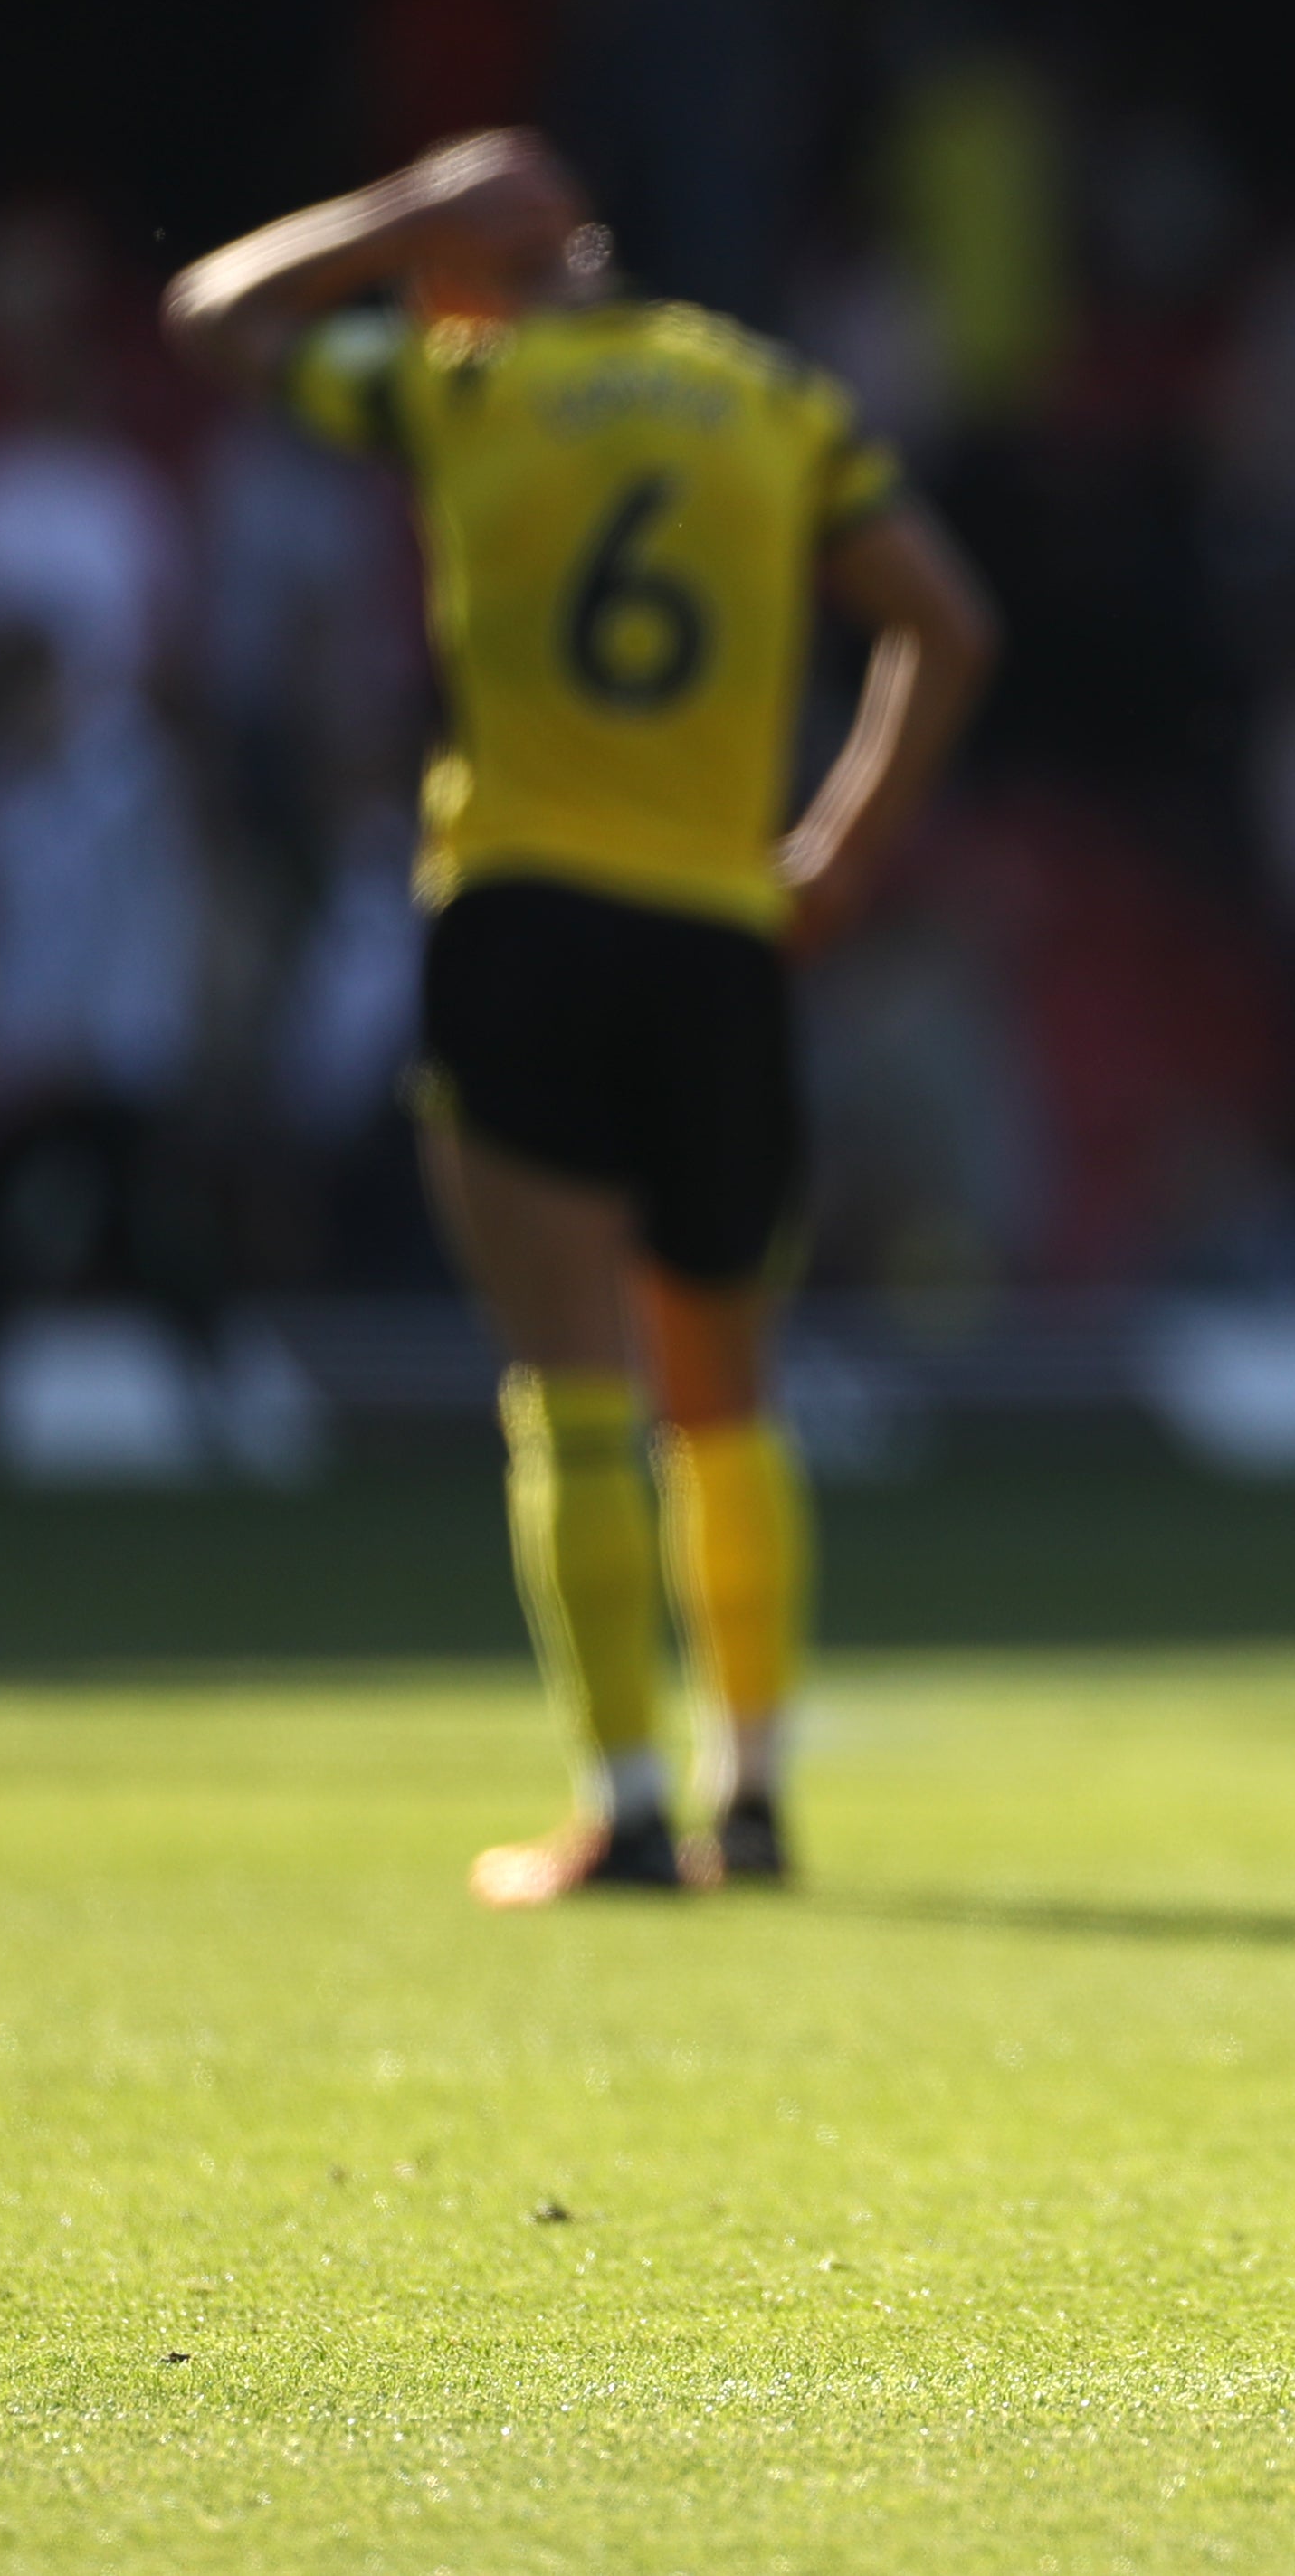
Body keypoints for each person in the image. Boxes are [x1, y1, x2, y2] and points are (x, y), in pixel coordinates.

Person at [164, 131, 998, 1897]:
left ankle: (622, 1802)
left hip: (525, 904)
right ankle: (753, 1789)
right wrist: (837, 846)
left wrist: (398, 216)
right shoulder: (772, 399)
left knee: (571, 1383)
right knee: (726, 1385)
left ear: (474, 266)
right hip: (716, 926)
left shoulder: (465, 384)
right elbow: (947, 622)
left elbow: (214, 314)